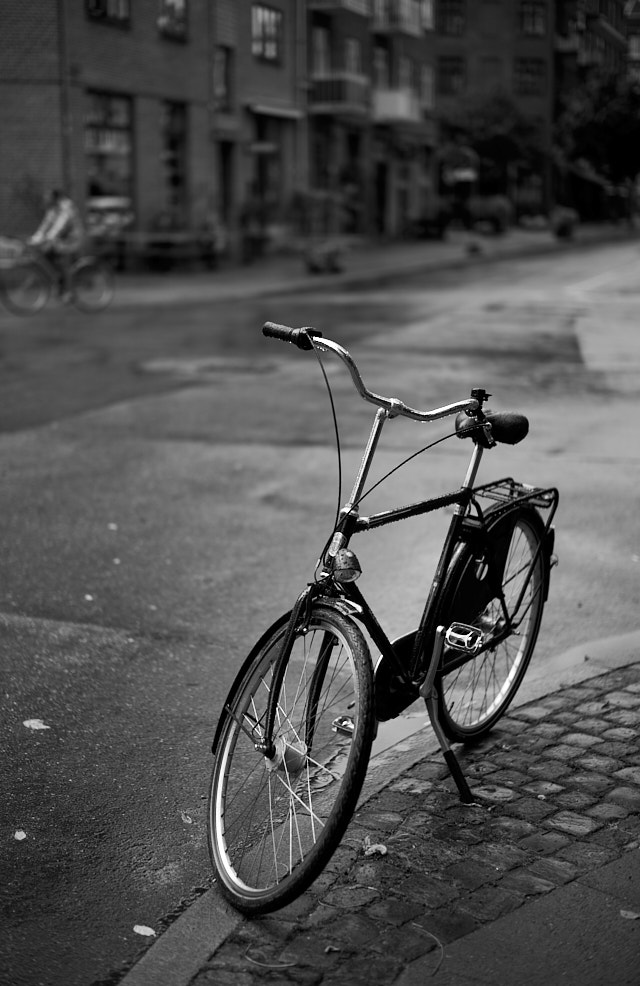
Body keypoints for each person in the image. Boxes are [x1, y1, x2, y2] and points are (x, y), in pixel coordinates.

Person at [29, 189, 85, 298]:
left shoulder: (66, 206)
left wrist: (50, 237)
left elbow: (61, 223)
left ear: (54, 198)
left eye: (47, 198)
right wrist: (35, 238)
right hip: (62, 238)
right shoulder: (52, 209)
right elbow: (45, 224)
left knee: (62, 260)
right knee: (47, 254)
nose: (46, 201)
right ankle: (60, 281)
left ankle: (68, 291)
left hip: (72, 238)